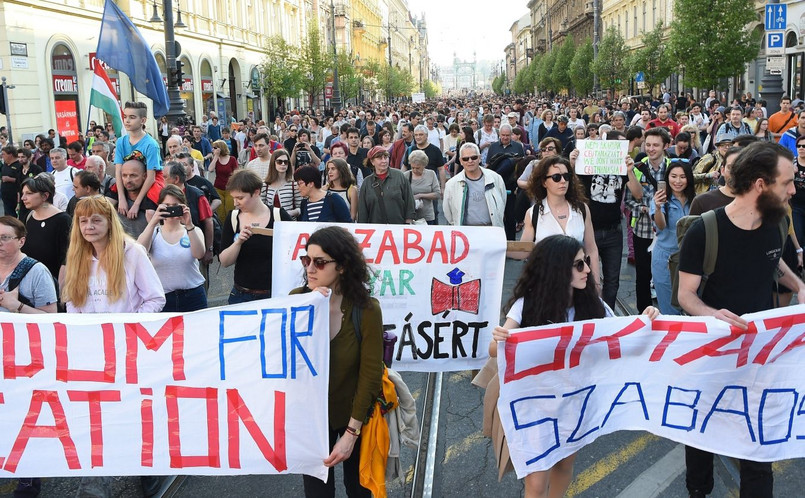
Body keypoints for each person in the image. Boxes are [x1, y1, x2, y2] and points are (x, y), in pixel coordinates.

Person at [678, 141, 805, 498]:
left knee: (758, 448)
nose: (793, 190)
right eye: (787, 182)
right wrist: (712, 314)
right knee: (701, 437)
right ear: (760, 184)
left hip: (760, 359)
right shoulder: (705, 230)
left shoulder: (777, 224)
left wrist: (798, 285)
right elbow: (685, 295)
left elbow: (772, 263)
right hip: (712, 358)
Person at [488, 234, 658, 498]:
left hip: (573, 402)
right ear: (557, 269)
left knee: (564, 466)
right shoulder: (526, 305)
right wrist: (501, 337)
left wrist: (647, 319)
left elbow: (624, 336)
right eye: (580, 265)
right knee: (535, 482)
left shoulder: (593, 305)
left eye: (586, 262)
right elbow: (494, 349)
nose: (588, 270)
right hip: (535, 406)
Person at [289, 226, 383, 498]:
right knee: (317, 493)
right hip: (311, 421)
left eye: (319, 262)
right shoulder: (296, 301)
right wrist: (308, 311)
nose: (310, 268)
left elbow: (370, 375)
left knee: (359, 489)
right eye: (307, 260)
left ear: (341, 266)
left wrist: (351, 434)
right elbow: (282, 361)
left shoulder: (366, 309)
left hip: (353, 416)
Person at [517, 155, 601, 282]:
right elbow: (523, 251)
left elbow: (591, 249)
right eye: (556, 177)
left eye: (566, 177)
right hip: (545, 284)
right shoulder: (533, 213)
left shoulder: (582, 209)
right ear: (544, 182)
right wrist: (496, 245)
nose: (563, 181)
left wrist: (596, 283)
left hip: (578, 283)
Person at [220, 169, 290, 303]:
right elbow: (224, 261)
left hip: (273, 295)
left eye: (240, 198)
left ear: (256, 192)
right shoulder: (233, 218)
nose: (235, 203)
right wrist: (238, 242)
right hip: (241, 294)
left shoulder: (278, 216)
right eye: (233, 198)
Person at [137, 185, 207, 312]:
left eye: (175, 205)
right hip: (163, 298)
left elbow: (199, 254)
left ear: (183, 206)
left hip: (193, 296)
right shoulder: (154, 232)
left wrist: (189, 224)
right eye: (167, 206)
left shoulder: (193, 230)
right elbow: (138, 252)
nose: (171, 210)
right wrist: (153, 221)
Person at [650, 160, 695, 314]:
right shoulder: (660, 199)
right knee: (669, 309)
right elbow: (660, 225)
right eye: (673, 176)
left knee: (690, 306)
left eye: (682, 177)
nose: (677, 181)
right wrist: (657, 207)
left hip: (690, 259)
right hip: (665, 260)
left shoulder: (696, 199)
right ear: (667, 177)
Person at [114, 101, 164, 219]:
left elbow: (151, 177)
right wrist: (121, 198)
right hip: (127, 176)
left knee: (150, 213)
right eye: (125, 117)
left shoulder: (151, 144)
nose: (127, 120)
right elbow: (118, 171)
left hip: (152, 178)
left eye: (132, 117)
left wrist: (136, 204)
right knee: (106, 203)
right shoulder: (121, 141)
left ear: (143, 120)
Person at [0, 216, 58, 314]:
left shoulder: (38, 272)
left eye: (5, 238)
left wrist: (17, 306)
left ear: (21, 242)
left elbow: (50, 317)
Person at [19, 175, 70, 283]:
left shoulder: (62, 220)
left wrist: (61, 291)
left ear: (45, 196)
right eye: (23, 193)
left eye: (29, 193)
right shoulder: (28, 217)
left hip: (52, 284)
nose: (23, 198)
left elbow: (66, 259)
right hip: (29, 282)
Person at [443, 143, 507, 227]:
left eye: (474, 157)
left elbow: (502, 202)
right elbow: (448, 212)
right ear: (461, 161)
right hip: (465, 233)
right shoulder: (451, 184)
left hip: (491, 230)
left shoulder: (495, 178)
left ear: (479, 158)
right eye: (465, 159)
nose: (470, 161)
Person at [357, 146, 415, 224]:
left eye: (386, 157)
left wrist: (408, 221)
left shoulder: (399, 176)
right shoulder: (366, 182)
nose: (384, 161)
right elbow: (362, 209)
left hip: (398, 227)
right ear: (372, 161)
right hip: (376, 229)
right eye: (380, 158)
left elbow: (409, 200)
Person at [104, 155, 158, 237]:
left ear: (145, 176)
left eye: (133, 175)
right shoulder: (114, 199)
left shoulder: (154, 202)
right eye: (124, 175)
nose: (128, 180)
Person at [262, 148, 301, 219]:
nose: (283, 164)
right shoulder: (265, 185)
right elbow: (261, 207)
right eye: (279, 162)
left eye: (286, 162)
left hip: (289, 223)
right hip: (271, 224)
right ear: (273, 163)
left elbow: (300, 207)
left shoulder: (294, 185)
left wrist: (290, 213)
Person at [404, 150, 441, 224]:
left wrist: (420, 196)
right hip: (410, 217)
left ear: (424, 165)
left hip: (427, 216)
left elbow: (437, 194)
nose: (414, 170)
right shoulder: (406, 175)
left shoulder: (431, 174)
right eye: (412, 167)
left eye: (418, 168)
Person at [209, 139, 239, 220]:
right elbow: (210, 169)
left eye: (215, 148)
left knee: (229, 210)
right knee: (220, 212)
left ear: (220, 148)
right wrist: (216, 157)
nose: (212, 150)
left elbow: (236, 173)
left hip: (230, 188)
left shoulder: (232, 159)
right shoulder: (216, 159)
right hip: (218, 188)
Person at [1, 145, 21, 217]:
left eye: (3, 154)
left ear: (10, 155)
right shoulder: (5, 165)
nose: (2, 156)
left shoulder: (19, 165)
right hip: (5, 196)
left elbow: (21, 179)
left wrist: (10, 179)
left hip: (14, 196)